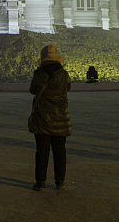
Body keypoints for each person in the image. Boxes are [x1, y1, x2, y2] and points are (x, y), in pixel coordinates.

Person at [28, 44, 71, 191]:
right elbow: (68, 88)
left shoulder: (39, 74)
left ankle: (40, 182)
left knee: (42, 152)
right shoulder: (63, 75)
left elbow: (32, 90)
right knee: (60, 152)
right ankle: (60, 182)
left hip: (42, 118)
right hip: (60, 118)